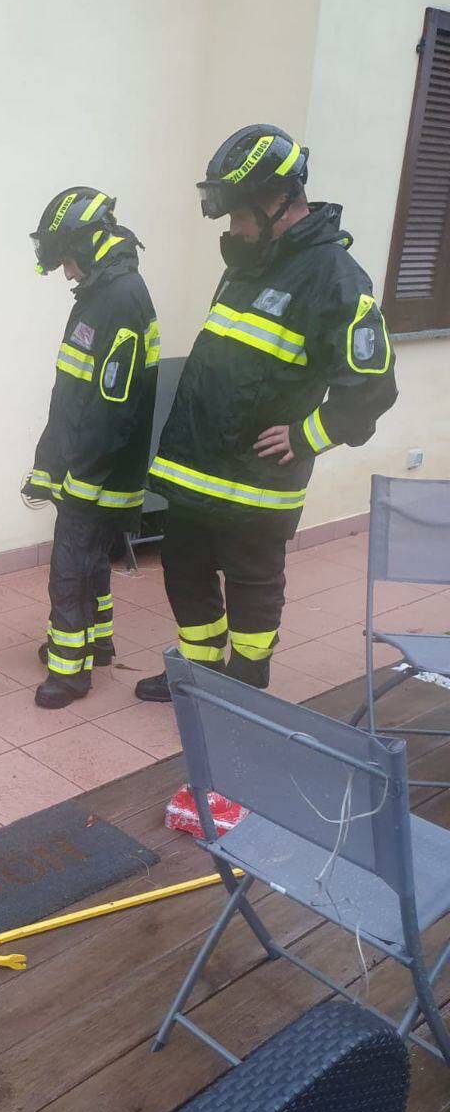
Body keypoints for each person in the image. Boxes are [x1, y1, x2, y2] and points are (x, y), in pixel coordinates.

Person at [136, 124, 397, 703]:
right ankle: (199, 674)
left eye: (238, 217)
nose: (233, 231)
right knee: (184, 571)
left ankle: (246, 680)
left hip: (256, 484)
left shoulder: (334, 277)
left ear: (277, 202)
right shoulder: (249, 263)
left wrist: (309, 436)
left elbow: (373, 387)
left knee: (253, 587)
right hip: (194, 467)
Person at [24, 187, 159, 709]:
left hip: (96, 473)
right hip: (91, 467)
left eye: (68, 258)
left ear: (90, 241)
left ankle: (69, 672)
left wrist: (78, 477)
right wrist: (47, 460)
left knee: (70, 567)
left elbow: (111, 408)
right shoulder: (104, 293)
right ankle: (96, 644)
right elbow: (73, 394)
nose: (66, 271)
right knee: (93, 562)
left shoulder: (118, 299)